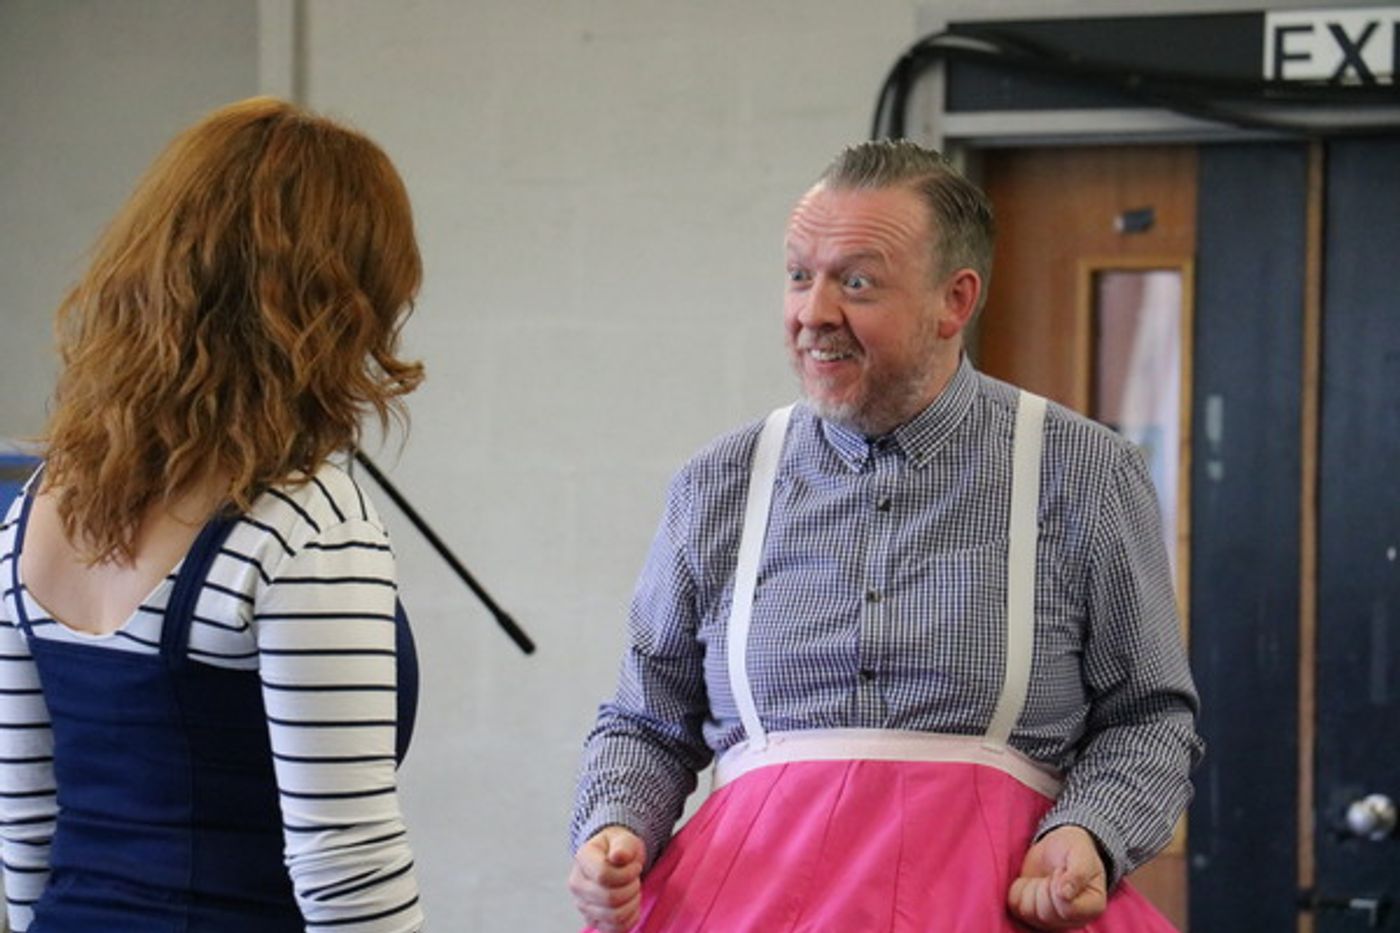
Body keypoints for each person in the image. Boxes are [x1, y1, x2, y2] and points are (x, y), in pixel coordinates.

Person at [568, 140, 1203, 932]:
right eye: (799, 275)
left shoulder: (1083, 473)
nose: (813, 313)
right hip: (748, 906)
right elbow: (647, 720)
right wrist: (614, 826)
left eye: (856, 282)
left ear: (955, 301)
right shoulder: (717, 483)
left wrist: (1090, 832)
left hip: (995, 907)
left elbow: (1148, 716)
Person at [0, 97, 425, 932]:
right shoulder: (307, 522)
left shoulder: (38, 506)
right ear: (341, 303)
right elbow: (346, 861)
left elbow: (24, 829)